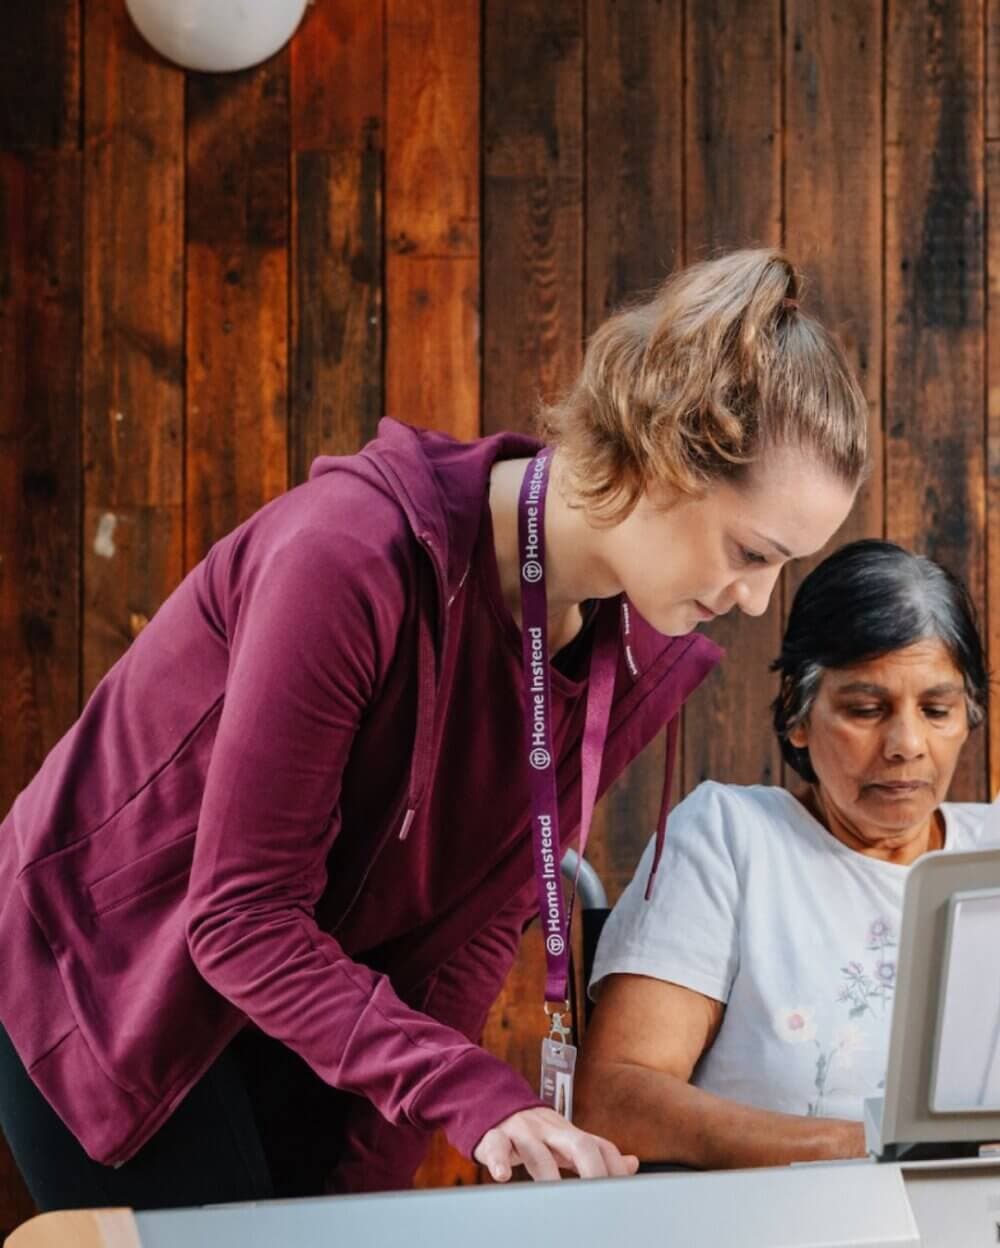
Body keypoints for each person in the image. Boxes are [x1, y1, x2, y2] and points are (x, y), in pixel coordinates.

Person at [0, 249, 864, 1210]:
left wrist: (370, 1192)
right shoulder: (347, 558)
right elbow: (240, 918)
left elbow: (474, 930)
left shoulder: (633, 644)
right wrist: (475, 1099)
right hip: (112, 974)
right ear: (663, 455)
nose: (753, 602)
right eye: (753, 553)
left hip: (309, 1002)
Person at [576, 540, 995, 1170]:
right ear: (798, 715)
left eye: (936, 711)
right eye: (865, 709)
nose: (907, 744)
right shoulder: (732, 840)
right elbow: (616, 1099)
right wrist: (874, 1151)